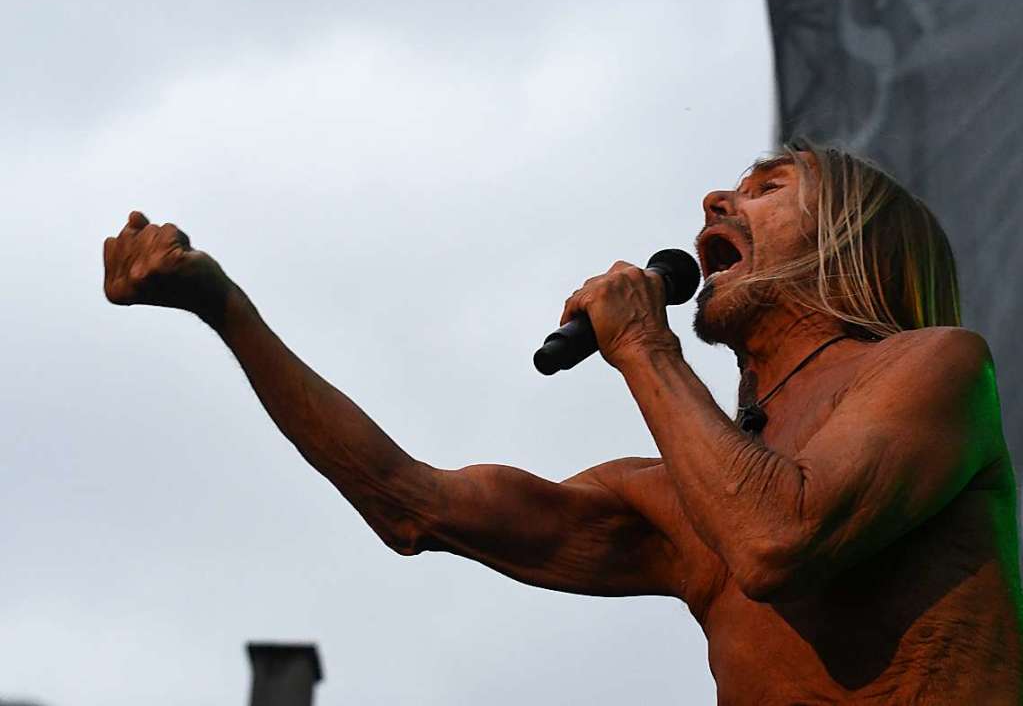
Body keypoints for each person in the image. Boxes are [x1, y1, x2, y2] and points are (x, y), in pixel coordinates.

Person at [102, 141, 1022, 703]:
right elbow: (410, 501)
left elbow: (777, 536)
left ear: (851, 241)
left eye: (769, 187)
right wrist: (223, 307)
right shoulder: (680, 497)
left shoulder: (936, 367)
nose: (715, 202)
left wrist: (640, 347)